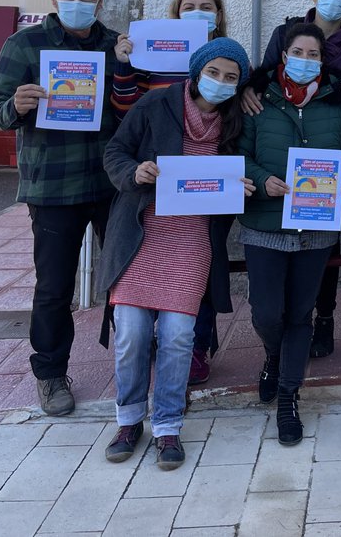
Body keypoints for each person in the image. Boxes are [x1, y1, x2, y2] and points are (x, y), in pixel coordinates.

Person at [99, 38, 253, 470]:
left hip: (190, 240)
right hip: (140, 236)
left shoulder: (236, 121)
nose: (220, 83)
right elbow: (115, 151)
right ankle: (128, 420)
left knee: (178, 338)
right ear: (197, 70)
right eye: (214, 72)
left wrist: (238, 188)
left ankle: (167, 426)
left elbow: (242, 169)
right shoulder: (156, 105)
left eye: (231, 77)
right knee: (130, 335)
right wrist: (135, 172)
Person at [0, 0, 121, 416]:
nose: (77, 4)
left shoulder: (114, 45)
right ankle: (50, 374)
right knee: (53, 287)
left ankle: (137, 358)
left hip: (110, 183)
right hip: (54, 188)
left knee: (125, 278)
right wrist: (16, 105)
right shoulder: (25, 44)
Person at [238, 22, 341, 445]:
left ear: (323, 60)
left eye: (314, 55)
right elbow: (237, 155)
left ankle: (287, 396)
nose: (306, 61)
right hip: (265, 225)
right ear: (284, 56)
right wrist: (261, 179)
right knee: (265, 312)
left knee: (300, 315)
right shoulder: (258, 103)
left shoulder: (337, 103)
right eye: (299, 52)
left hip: (317, 228)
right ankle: (274, 358)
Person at [244, 0, 341, 360]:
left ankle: (324, 319)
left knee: (324, 248)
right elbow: (264, 75)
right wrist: (248, 91)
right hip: (280, 157)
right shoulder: (285, 33)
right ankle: (282, 337)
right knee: (273, 289)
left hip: (332, 152)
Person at [111, 0, 231, 387]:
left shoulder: (230, 71)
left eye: (207, 6)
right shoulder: (153, 63)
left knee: (203, 278)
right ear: (175, 12)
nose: (198, 12)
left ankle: (195, 349)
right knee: (135, 325)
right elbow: (124, 119)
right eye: (189, 6)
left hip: (203, 204)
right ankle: (145, 374)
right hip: (153, 202)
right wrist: (126, 65)